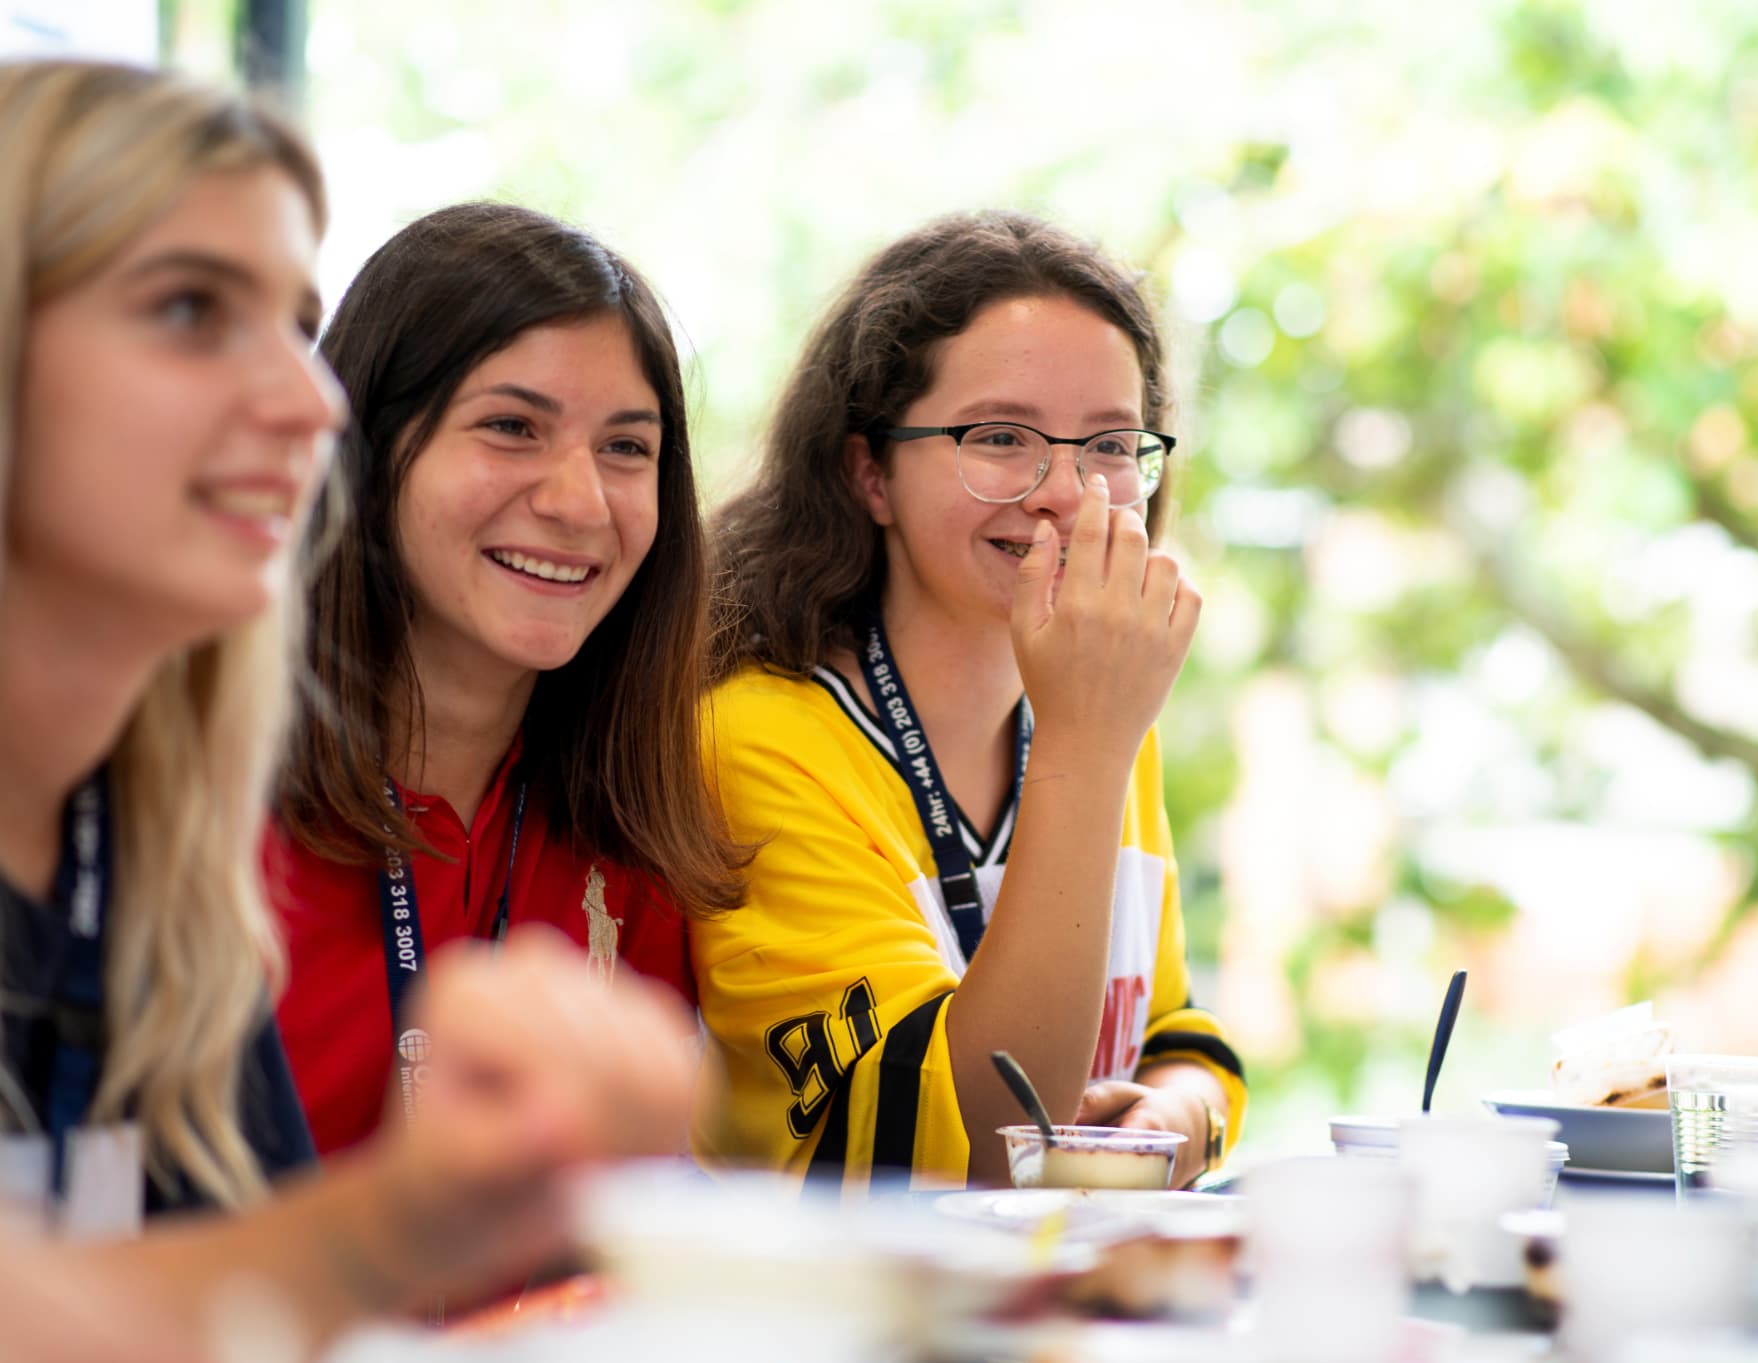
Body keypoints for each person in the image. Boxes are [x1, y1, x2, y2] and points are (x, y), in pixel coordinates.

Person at [0, 58, 699, 1354]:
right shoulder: (218, 836)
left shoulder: (145, 838)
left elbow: (216, 1304)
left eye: (292, 320)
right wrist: (403, 1216)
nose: (307, 397)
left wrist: (428, 1207)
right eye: (193, 309)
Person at [699, 210, 1245, 1191]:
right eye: (999, 437)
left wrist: (1170, 1117)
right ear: (867, 471)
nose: (1070, 495)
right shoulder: (757, 738)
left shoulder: (1095, 712)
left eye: (1111, 445)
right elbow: (978, 1139)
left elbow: (1167, 1030)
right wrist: (1085, 742)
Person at [268, 201, 745, 1156]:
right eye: (512, 426)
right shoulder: (203, 807)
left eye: (626, 447)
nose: (579, 502)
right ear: (360, 446)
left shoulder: (643, 835)